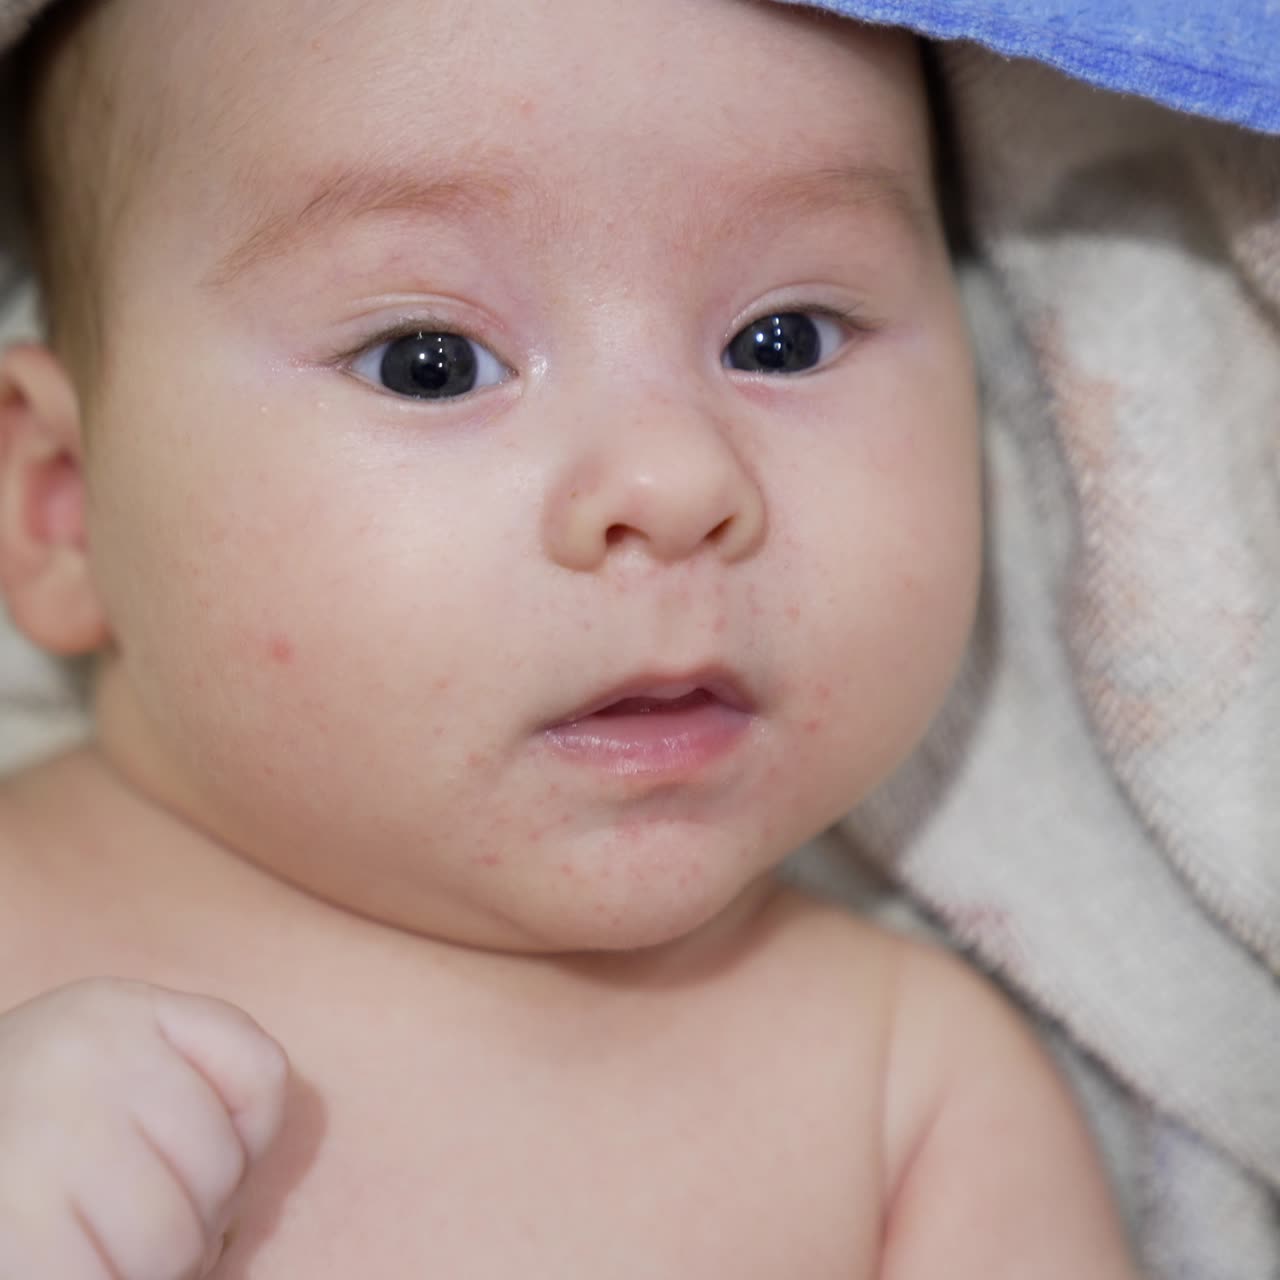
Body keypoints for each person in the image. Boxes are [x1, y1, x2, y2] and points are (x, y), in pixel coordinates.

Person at [0, 0, 1142, 1274]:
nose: (674, 478)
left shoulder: (905, 1098)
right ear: (66, 504)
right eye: (429, 360)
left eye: (783, 340)